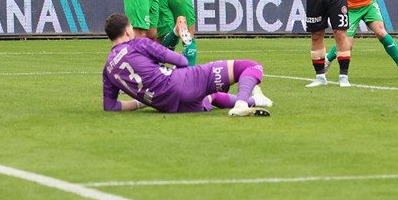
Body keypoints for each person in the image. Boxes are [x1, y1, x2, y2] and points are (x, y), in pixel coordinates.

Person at [101, 13, 272, 116]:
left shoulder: (108, 69)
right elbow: (181, 61)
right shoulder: (137, 44)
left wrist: (142, 103)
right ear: (127, 31)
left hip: (169, 106)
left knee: (211, 97)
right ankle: (242, 103)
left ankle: (256, 100)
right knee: (251, 66)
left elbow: (110, 106)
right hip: (181, 82)